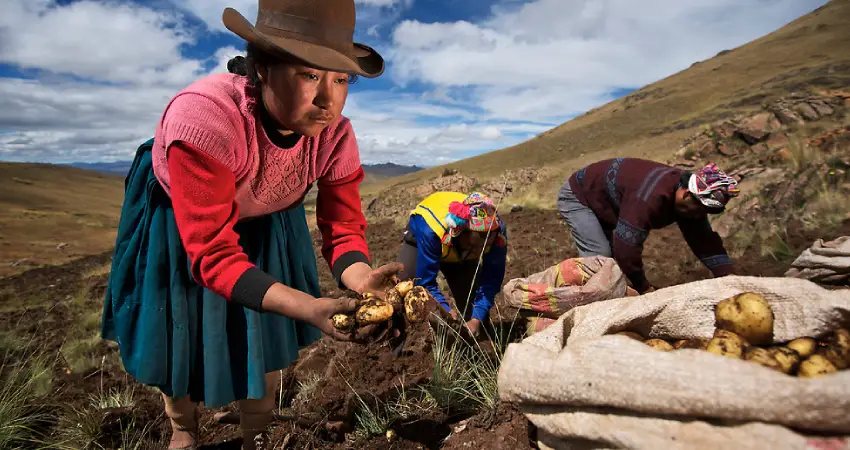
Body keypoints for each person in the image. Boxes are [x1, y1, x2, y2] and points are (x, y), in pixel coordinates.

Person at [100, 1, 401, 448]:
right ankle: (183, 430)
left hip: (268, 213)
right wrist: (309, 306)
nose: (327, 100)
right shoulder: (205, 121)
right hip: (184, 218)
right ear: (262, 69)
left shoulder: (336, 134)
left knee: (263, 333)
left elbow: (342, 226)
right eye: (309, 75)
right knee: (178, 327)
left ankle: (257, 435)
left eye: (341, 80)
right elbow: (212, 253)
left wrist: (362, 280)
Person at [557, 158, 740, 294]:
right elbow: (626, 247)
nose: (700, 215)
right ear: (686, 194)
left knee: (611, 269)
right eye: (700, 208)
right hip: (580, 196)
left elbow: (704, 241)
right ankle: (583, 307)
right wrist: (643, 287)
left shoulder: (691, 205)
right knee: (600, 258)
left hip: (608, 203)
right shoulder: (650, 197)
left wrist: (727, 277)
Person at [397, 192, 508, 338]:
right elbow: (426, 282)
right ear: (460, 232)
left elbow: (491, 281)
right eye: (474, 245)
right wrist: (445, 310)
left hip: (458, 249)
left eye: (484, 246)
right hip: (424, 237)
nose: (479, 252)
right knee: (405, 291)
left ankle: (474, 351)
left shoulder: (495, 233)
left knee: (476, 314)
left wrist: (476, 319)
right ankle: (399, 346)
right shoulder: (430, 231)